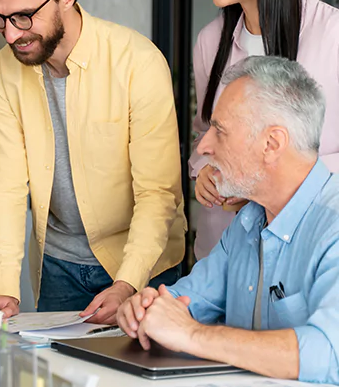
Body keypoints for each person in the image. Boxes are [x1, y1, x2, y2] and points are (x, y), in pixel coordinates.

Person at [0, 0, 186, 323]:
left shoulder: (137, 62)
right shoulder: (3, 69)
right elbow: (6, 185)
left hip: (143, 265)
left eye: (23, 16)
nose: (10, 33)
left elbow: (157, 193)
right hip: (58, 265)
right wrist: (4, 284)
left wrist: (128, 282)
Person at [116, 56, 339, 384]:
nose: (203, 146)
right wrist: (146, 308)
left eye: (219, 131)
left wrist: (193, 335)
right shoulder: (249, 220)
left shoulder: (332, 226)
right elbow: (187, 299)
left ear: (271, 144)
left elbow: (330, 354)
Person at [190, 0, 339, 259]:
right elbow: (206, 137)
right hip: (221, 255)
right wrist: (206, 175)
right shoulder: (210, 42)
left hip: (307, 254)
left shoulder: (333, 36)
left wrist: (268, 182)